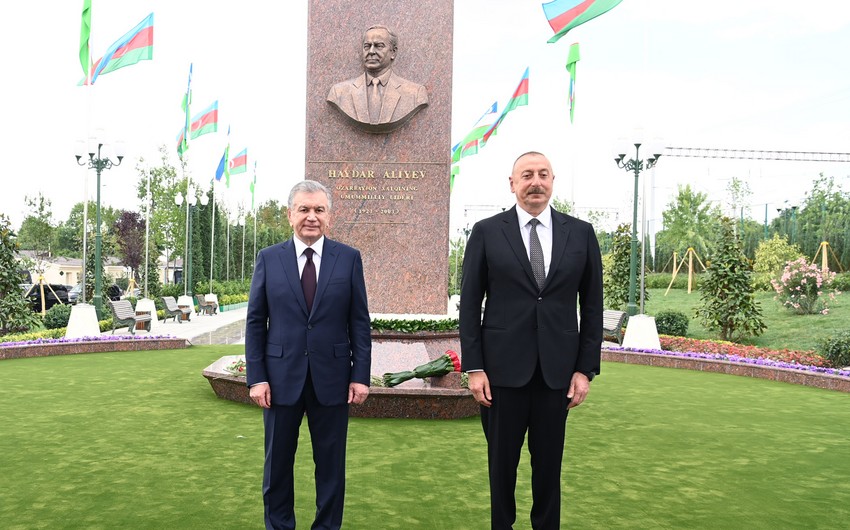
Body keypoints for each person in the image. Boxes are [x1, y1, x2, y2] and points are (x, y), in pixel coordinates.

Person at [459, 151, 603, 529]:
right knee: (501, 470)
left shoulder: (581, 233)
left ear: (553, 181)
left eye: (543, 174)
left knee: (548, 471)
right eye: (527, 175)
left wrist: (584, 371)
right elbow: (470, 305)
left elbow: (592, 307)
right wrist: (474, 367)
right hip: (500, 376)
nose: (535, 182)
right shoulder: (487, 232)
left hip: (556, 375)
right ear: (512, 183)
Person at [245, 180, 372, 530]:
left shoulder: (348, 259)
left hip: (332, 381)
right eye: (304, 209)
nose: (311, 217)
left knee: (331, 468)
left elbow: (359, 323)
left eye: (318, 210)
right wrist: (256, 377)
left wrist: (360, 375)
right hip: (280, 380)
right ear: (290, 215)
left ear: (330, 217)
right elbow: (256, 321)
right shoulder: (269, 259)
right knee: (277, 468)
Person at [327, 24, 428, 133]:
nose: (371, 51)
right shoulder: (338, 93)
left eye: (378, 46)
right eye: (367, 46)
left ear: (393, 52)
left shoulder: (416, 94)